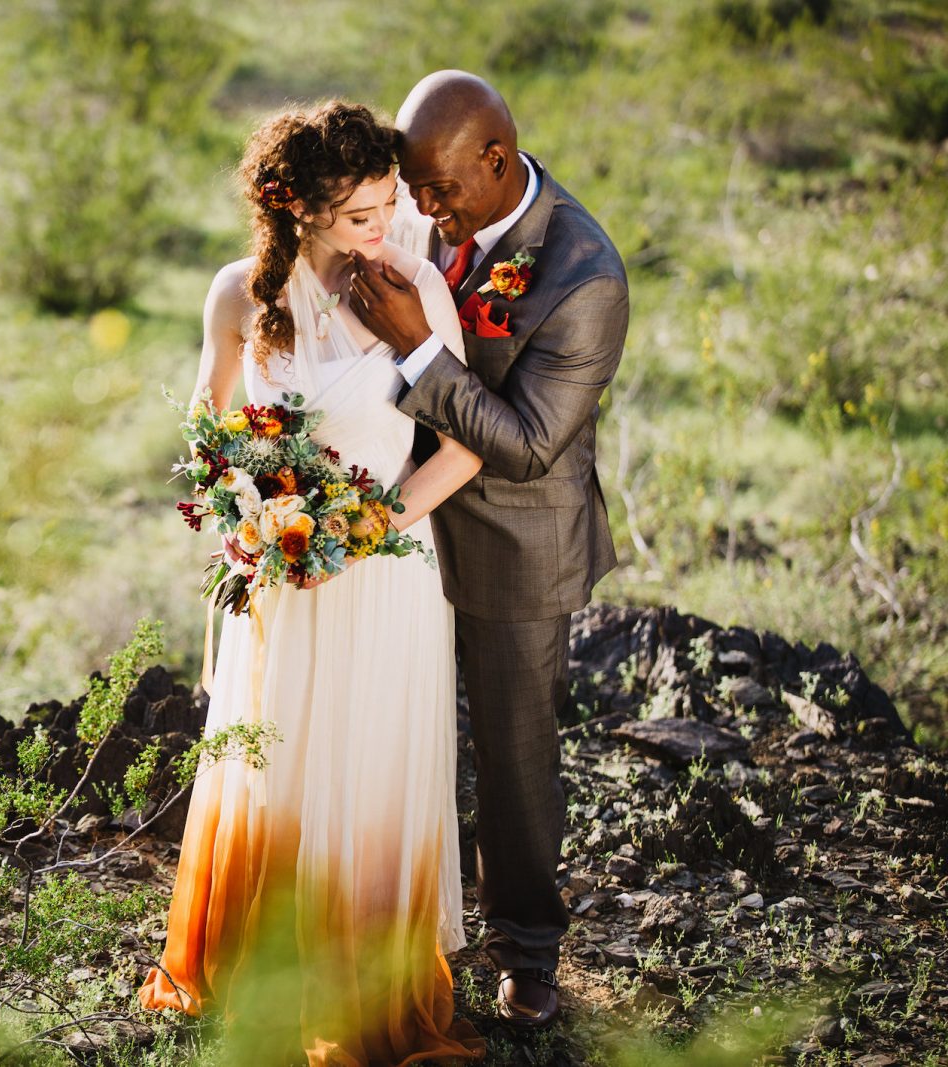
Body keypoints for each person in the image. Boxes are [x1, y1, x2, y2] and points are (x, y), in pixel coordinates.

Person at [137, 101, 488, 1065]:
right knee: (282, 768)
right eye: (364, 214)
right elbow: (210, 440)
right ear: (297, 207)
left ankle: (365, 978)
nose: (392, 225)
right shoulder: (236, 297)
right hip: (284, 581)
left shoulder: (413, 283)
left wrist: (375, 521)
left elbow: (464, 445)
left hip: (388, 575)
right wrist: (257, 527)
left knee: (370, 771)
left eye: (390, 204)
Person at [348, 70, 630, 1029]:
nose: (423, 212)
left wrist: (420, 351)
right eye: (413, 192)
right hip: (413, 531)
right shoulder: (433, 216)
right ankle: (398, 921)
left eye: (437, 192)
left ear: (497, 160)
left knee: (514, 758)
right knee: (405, 728)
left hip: (521, 544)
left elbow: (524, 442)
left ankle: (529, 952)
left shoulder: (587, 277)